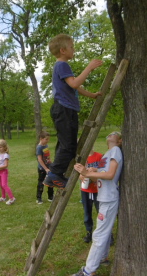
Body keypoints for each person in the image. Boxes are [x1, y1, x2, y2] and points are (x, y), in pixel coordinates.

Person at [43, 34, 103, 189]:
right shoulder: (62, 65)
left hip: (63, 109)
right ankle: (54, 176)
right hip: (64, 110)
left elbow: (74, 87)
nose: (73, 49)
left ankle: (58, 173)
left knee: (65, 144)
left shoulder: (60, 66)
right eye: (71, 47)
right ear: (63, 50)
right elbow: (75, 83)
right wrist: (89, 67)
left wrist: (92, 95)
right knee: (69, 146)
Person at [71, 131, 123, 276]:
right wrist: (91, 172)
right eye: (110, 132)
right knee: (103, 231)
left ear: (119, 141)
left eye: (115, 133)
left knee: (99, 234)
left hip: (109, 198)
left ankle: (88, 271)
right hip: (104, 196)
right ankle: (103, 257)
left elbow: (110, 175)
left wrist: (89, 173)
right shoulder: (107, 153)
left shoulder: (116, 150)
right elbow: (100, 177)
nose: (111, 133)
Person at [79, 147, 102, 243]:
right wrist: (82, 176)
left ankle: (105, 233)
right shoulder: (81, 159)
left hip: (97, 190)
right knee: (87, 212)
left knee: (100, 212)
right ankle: (89, 232)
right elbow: (79, 174)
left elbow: (104, 170)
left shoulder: (99, 156)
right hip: (85, 190)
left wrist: (95, 169)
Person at [0, 139, 15, 205]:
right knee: (1, 185)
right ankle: (3, 197)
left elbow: (6, 165)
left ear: (4, 147)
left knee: (4, 185)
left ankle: (11, 198)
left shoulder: (5, 155)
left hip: (3, 172)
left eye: (0, 147)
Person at [35, 131, 53, 204]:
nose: (47, 140)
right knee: (41, 183)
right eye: (46, 139)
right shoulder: (39, 147)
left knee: (50, 182)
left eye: (48, 139)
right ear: (41, 138)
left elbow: (47, 157)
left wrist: (50, 165)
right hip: (42, 169)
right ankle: (38, 198)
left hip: (49, 168)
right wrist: (45, 168)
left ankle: (50, 197)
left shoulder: (46, 146)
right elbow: (39, 159)